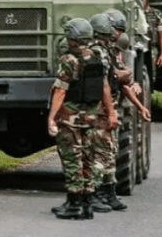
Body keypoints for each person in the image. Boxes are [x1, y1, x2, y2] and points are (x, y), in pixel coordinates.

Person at [47, 18, 117, 220]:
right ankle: (86, 204)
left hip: (71, 119)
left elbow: (61, 90)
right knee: (88, 158)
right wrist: (111, 112)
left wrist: (52, 117)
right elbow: (105, 87)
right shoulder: (96, 57)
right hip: (91, 117)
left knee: (72, 159)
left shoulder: (69, 60)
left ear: (72, 38)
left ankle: (74, 204)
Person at [87, 13, 150, 212]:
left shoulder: (108, 51)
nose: (116, 33)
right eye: (112, 29)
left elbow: (120, 84)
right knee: (101, 153)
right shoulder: (96, 52)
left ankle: (109, 192)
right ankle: (93, 193)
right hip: (100, 109)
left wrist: (140, 107)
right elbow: (105, 84)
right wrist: (112, 112)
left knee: (111, 151)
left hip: (108, 107)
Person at [136, 0, 162, 86]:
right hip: (136, 48)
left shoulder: (156, 14)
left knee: (150, 77)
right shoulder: (133, 14)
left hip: (152, 49)